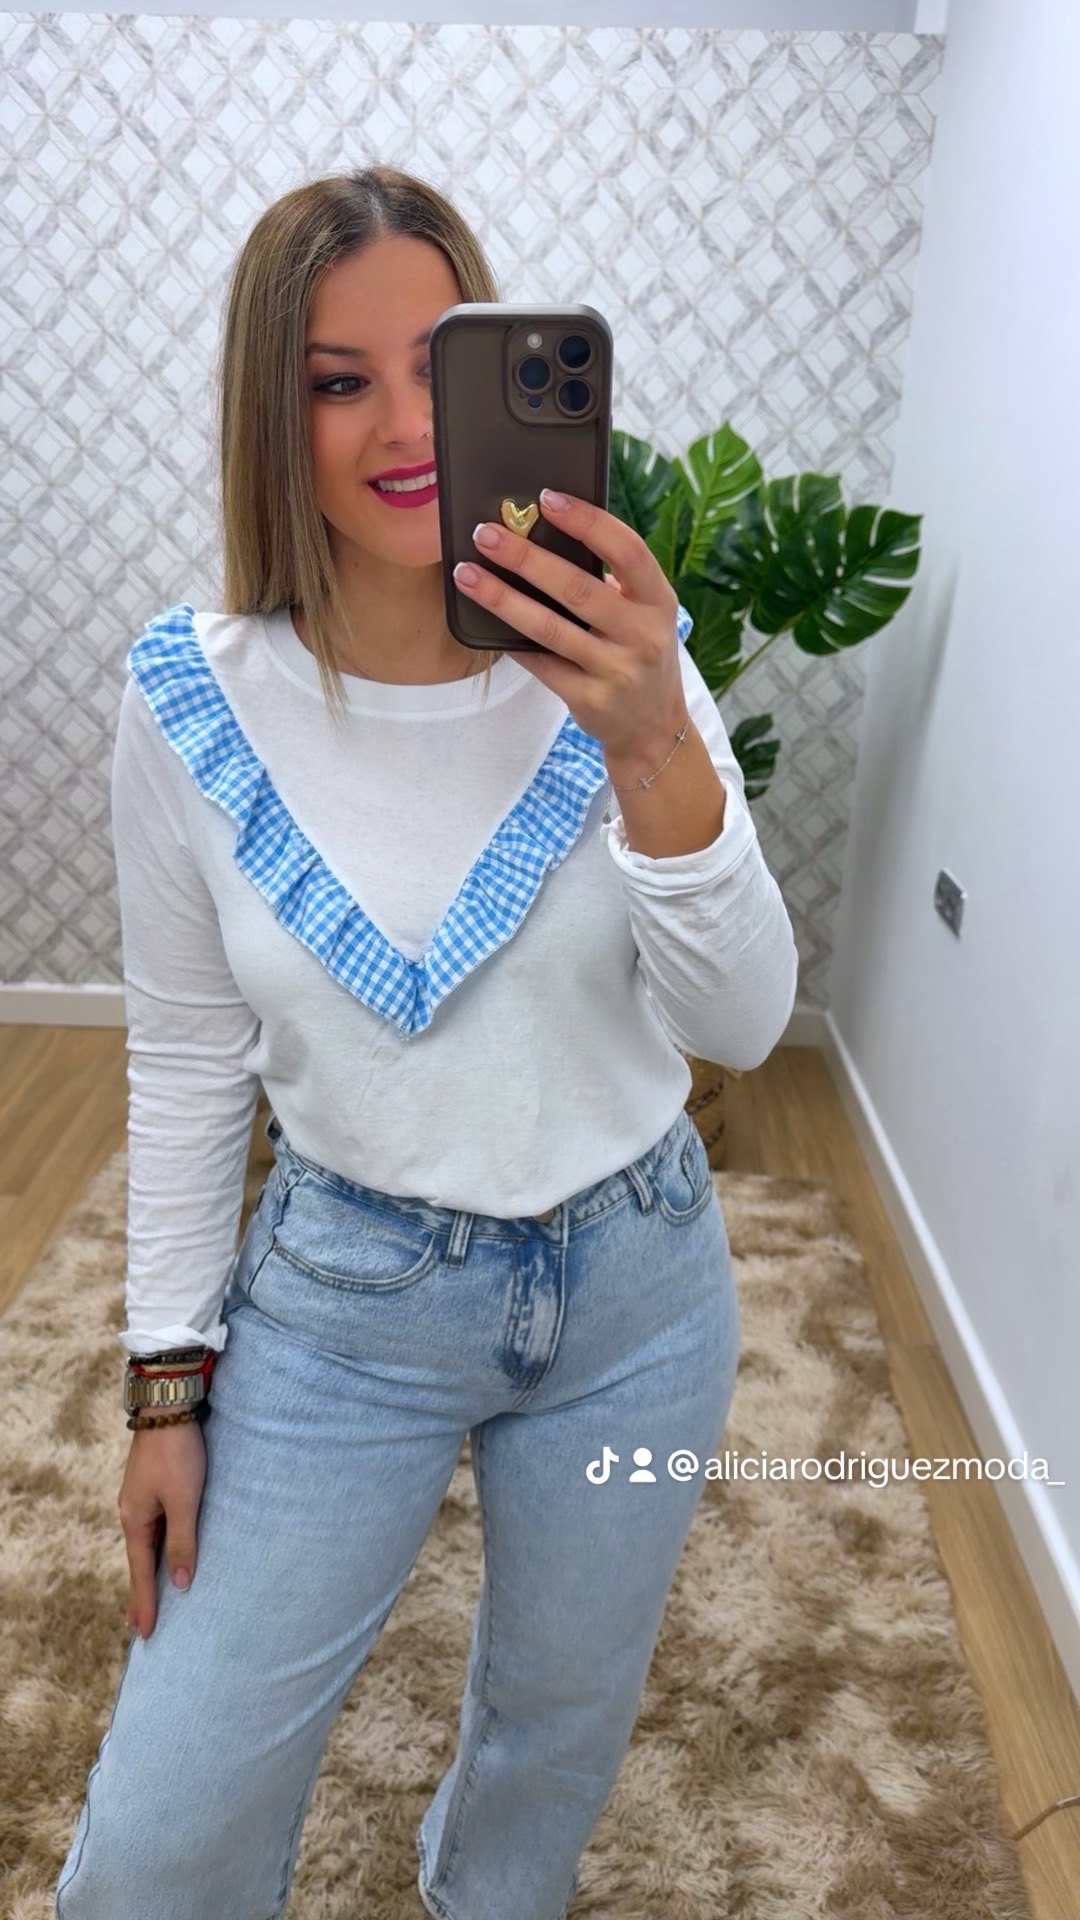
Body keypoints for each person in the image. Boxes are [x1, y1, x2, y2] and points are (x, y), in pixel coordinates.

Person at [54, 164, 798, 1920]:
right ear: (272, 408)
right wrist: (166, 1389)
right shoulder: (193, 701)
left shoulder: (625, 662)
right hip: (343, 1305)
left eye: (439, 365)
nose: (404, 428)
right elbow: (186, 1058)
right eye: (338, 380)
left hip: (639, 1299)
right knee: (159, 1844)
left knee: (553, 1744)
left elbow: (744, 1024)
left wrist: (652, 745)